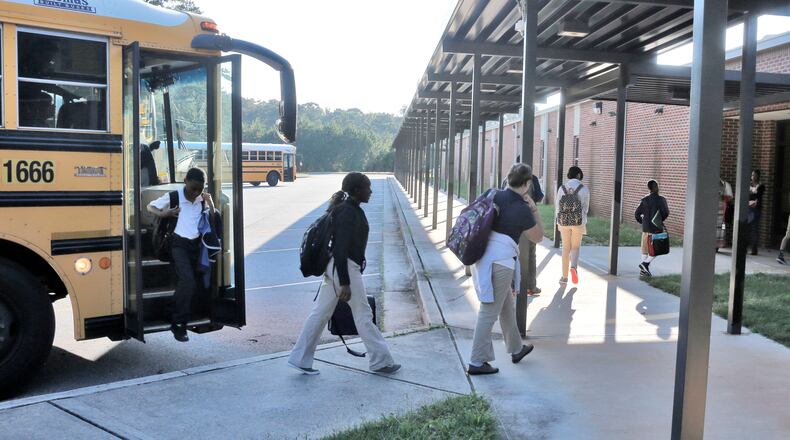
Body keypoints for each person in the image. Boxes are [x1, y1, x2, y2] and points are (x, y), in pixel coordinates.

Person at [289, 173, 400, 375]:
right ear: (357, 190)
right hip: (344, 268)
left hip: (336, 268)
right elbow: (340, 248)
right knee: (363, 314)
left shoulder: (348, 209)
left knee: (320, 313)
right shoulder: (348, 213)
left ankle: (300, 358)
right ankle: (381, 361)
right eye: (367, 187)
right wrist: (346, 282)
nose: (371, 191)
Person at [468, 163, 543, 375]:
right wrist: (534, 209)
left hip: (482, 257)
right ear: (528, 184)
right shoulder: (522, 209)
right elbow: (537, 237)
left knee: (505, 305)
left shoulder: (492, 193)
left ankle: (516, 348)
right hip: (501, 262)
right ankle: (476, 360)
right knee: (489, 309)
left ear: (507, 179)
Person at [147, 167, 215, 342]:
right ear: (185, 181)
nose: (195, 193)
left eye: (200, 189)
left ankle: (170, 310)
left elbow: (213, 219)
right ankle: (178, 324)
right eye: (193, 188)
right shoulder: (174, 196)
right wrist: (165, 213)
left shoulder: (201, 199)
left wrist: (211, 203)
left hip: (195, 245)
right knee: (188, 280)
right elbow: (150, 206)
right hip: (177, 244)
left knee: (190, 283)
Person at [500, 163, 544, 296]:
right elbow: (540, 197)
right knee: (531, 254)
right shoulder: (533, 179)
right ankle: (530, 286)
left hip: (503, 237)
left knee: (513, 254)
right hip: (528, 223)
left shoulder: (501, 186)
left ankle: (513, 286)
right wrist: (534, 208)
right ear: (526, 183)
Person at [555, 166, 589, 285]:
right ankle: (573, 268)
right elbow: (585, 208)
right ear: (579, 175)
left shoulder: (562, 188)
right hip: (578, 221)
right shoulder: (584, 189)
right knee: (575, 247)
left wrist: (558, 222)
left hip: (564, 221)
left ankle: (564, 277)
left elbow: (558, 207)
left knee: (565, 248)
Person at [635, 180, 669, 277]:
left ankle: (644, 271)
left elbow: (637, 214)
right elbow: (666, 212)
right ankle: (645, 264)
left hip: (646, 229)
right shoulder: (661, 199)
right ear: (656, 187)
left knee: (645, 249)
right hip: (656, 228)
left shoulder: (644, 200)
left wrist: (643, 222)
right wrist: (659, 219)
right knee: (658, 248)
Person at [748, 170, 766, 255]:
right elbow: (749, 196)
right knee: (746, 228)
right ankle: (743, 247)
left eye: (754, 175)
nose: (753, 177)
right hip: (748, 209)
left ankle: (754, 249)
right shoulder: (749, 185)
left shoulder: (761, 186)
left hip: (756, 209)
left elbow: (758, 196)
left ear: (758, 176)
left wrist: (752, 196)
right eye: (752, 175)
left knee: (754, 229)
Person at [716, 179, 733, 251]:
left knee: (722, 226)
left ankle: (718, 244)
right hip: (713, 208)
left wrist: (724, 196)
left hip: (722, 208)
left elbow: (730, 197)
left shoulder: (726, 185)